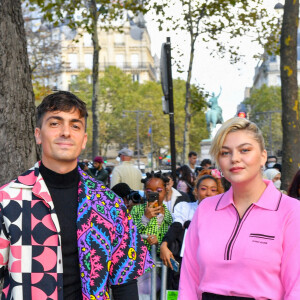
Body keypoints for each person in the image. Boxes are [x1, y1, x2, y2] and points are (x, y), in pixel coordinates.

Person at [0, 91, 154, 300]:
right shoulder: (8, 199)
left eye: (75, 125)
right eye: (55, 123)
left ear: (83, 139)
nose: (66, 132)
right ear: (38, 134)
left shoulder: (109, 204)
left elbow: (124, 282)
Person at [178, 117, 300, 300]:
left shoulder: (291, 211)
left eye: (245, 150)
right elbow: (188, 281)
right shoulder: (206, 209)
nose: (234, 159)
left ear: (263, 156)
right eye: (225, 153)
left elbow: (296, 288)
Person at [160, 172, 223, 290]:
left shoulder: (223, 213)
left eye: (213, 190)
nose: (208, 193)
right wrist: (164, 244)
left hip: (212, 265)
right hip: (185, 262)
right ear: (196, 191)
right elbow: (176, 226)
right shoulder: (185, 207)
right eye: (203, 189)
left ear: (219, 193)